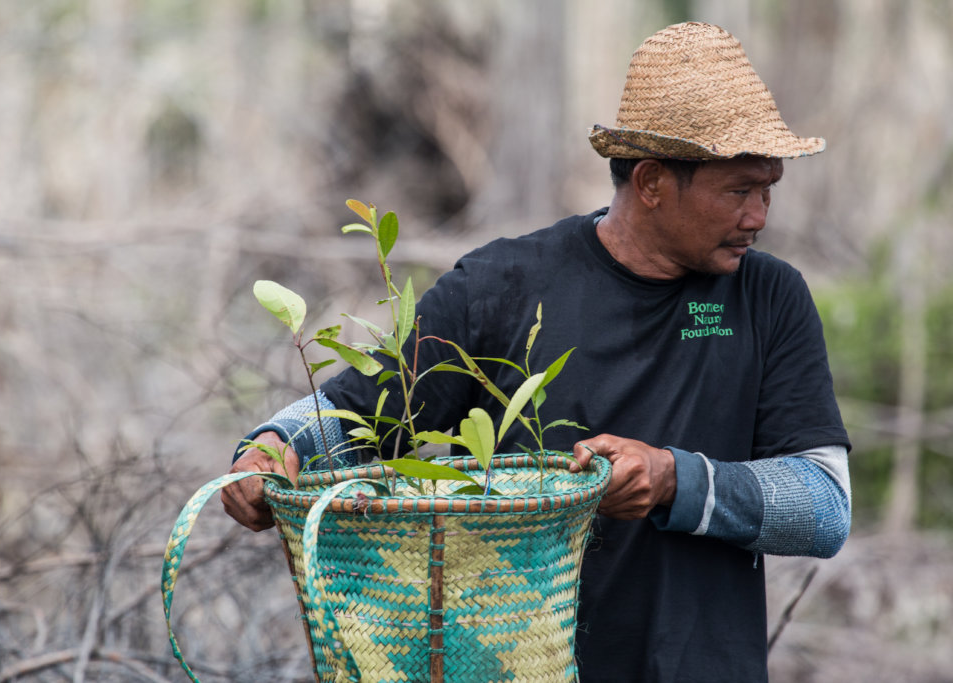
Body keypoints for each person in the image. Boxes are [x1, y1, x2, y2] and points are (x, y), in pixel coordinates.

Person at [222, 21, 851, 683]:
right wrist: (271, 445)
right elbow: (356, 412)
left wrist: (674, 478)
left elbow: (823, 505)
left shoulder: (770, 297)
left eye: (767, 189)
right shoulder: (501, 287)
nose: (759, 215)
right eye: (738, 191)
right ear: (652, 182)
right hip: (510, 665)